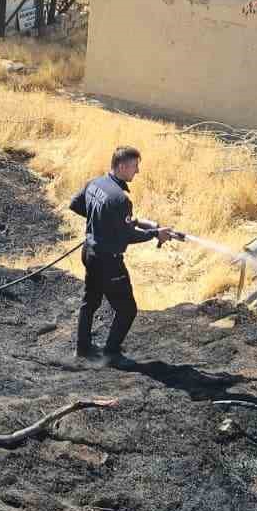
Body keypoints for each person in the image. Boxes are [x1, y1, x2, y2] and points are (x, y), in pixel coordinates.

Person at [69, 146, 177, 363]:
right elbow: (127, 236)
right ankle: (111, 353)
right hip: (109, 262)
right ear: (122, 166)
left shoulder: (96, 183)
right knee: (127, 309)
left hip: (89, 253)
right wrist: (156, 234)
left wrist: (100, 225)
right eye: (135, 166)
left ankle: (82, 348)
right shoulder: (121, 199)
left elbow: (76, 204)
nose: (137, 172)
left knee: (89, 302)